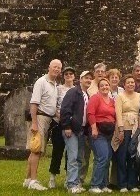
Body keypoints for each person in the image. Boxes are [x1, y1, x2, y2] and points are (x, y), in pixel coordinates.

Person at [25, 59, 63, 190]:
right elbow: (34, 103)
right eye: (54, 67)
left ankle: (28, 179)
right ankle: (34, 181)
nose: (56, 69)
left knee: (35, 149)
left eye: (59, 68)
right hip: (40, 118)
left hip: (49, 119)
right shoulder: (41, 82)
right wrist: (34, 123)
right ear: (49, 67)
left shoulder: (55, 84)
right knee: (37, 150)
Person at [61, 70, 94, 194]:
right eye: (86, 78)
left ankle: (75, 181)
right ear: (80, 79)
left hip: (81, 130)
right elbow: (65, 109)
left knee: (79, 158)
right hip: (71, 130)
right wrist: (67, 126)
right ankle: (71, 184)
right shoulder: (73, 92)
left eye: (90, 78)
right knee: (73, 158)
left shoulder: (86, 94)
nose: (88, 80)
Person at [87, 78, 117, 193]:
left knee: (107, 158)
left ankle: (104, 184)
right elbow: (90, 113)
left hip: (109, 133)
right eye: (102, 85)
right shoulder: (95, 98)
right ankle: (94, 185)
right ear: (98, 88)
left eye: (106, 85)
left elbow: (114, 116)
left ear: (109, 87)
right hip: (98, 132)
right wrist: (94, 128)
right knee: (102, 157)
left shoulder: (112, 100)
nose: (105, 87)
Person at [49, 65, 76, 188]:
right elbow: (53, 105)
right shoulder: (58, 89)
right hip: (59, 122)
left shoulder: (77, 90)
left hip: (71, 123)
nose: (69, 76)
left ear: (74, 76)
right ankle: (52, 177)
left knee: (70, 153)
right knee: (57, 150)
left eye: (71, 74)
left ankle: (67, 178)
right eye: (66, 74)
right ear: (63, 76)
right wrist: (61, 117)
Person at [115, 75, 140, 192]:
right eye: (128, 82)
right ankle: (122, 184)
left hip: (135, 129)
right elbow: (118, 114)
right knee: (122, 156)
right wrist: (121, 130)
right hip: (123, 129)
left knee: (133, 156)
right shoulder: (120, 96)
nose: (131, 84)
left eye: (132, 82)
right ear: (124, 85)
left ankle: (132, 183)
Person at [83, 63, 108, 183]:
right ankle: (80, 181)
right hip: (90, 124)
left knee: (102, 156)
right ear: (94, 72)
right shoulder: (89, 86)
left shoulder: (106, 86)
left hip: (104, 127)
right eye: (97, 71)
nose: (100, 73)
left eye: (102, 71)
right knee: (84, 157)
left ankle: (103, 182)